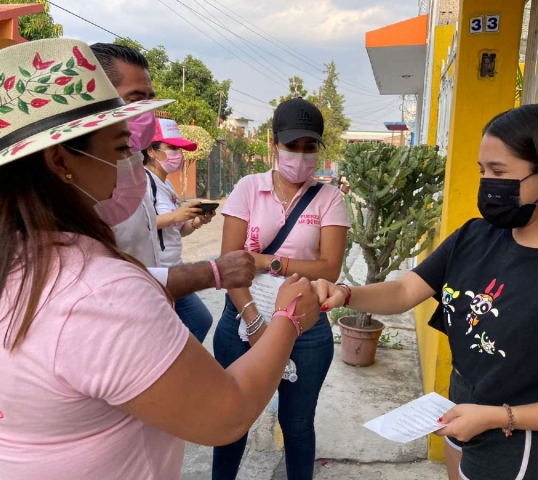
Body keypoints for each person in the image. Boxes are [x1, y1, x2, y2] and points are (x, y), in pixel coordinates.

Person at [0, 39, 321, 480]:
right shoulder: (99, 294)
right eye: (118, 150)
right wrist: (287, 316)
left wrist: (212, 272)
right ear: (61, 162)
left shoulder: (19, 258)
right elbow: (225, 413)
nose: (131, 163)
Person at [315, 104, 538, 480]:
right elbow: (403, 291)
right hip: (465, 412)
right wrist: (345, 293)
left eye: (499, 172)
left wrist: (497, 416)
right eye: (483, 170)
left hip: (520, 446)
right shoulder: (475, 236)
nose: (487, 183)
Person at [212, 98, 351, 480]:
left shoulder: (329, 198)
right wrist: (255, 323)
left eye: (310, 147)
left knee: (298, 425)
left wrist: (268, 262)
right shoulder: (247, 188)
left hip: (304, 329)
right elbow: (229, 266)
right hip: (241, 320)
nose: (301, 156)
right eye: (292, 146)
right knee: (231, 419)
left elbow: (329, 268)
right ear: (273, 144)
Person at [90, 42, 255, 297]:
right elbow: (100, 277)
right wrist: (213, 272)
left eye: (150, 101)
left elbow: (145, 240)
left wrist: (194, 222)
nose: (146, 113)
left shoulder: (134, 172)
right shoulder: (86, 181)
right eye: (135, 100)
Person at [143, 118, 214, 342]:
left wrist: (195, 221)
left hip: (174, 269)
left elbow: (177, 230)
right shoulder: (142, 182)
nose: (178, 154)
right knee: (185, 327)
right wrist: (176, 215)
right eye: (171, 147)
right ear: (151, 151)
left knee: (200, 321)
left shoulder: (167, 184)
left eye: (180, 148)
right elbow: (137, 224)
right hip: (156, 273)